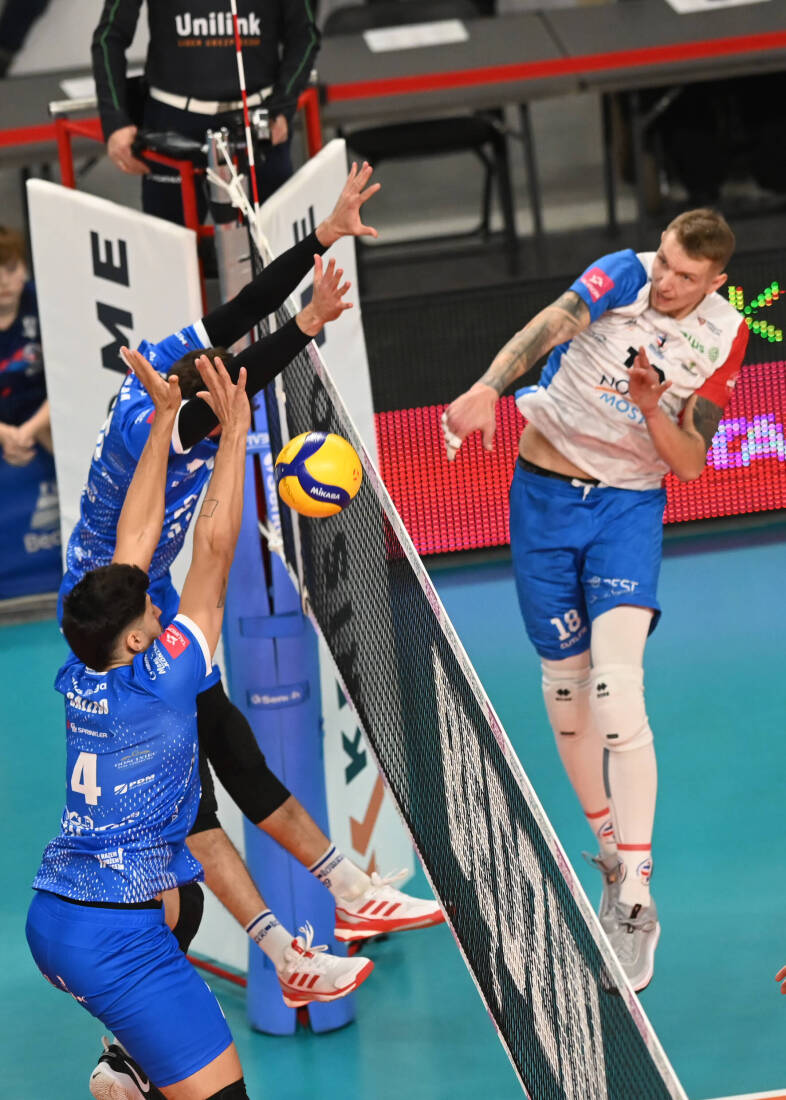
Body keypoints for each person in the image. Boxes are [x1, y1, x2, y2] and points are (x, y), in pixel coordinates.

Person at [58, 165, 442, 1094]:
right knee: (195, 814)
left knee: (222, 768)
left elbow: (234, 319)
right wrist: (303, 333)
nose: (218, 369)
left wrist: (322, 240)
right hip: (122, 616)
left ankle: (334, 900)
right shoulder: (166, 430)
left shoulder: (162, 380)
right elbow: (232, 409)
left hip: (138, 601)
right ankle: (293, 942)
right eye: (208, 386)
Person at [29, 349, 374, 1100]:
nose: (160, 605)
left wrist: (163, 426)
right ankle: (132, 1054)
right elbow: (213, 553)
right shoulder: (166, 679)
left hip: (56, 915)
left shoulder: (83, 670)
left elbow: (134, 541)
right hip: (116, 938)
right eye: (150, 610)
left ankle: (127, 1064)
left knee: (184, 892)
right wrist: (237, 437)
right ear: (136, 639)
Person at [442, 208, 747, 992]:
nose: (666, 281)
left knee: (616, 690)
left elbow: (689, 464)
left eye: (685, 275)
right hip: (544, 497)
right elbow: (552, 323)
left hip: (627, 510)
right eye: (665, 261)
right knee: (567, 696)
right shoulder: (622, 274)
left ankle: (637, 897)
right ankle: (610, 854)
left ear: (715, 281)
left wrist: (650, 407)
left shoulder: (724, 334)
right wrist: (486, 387)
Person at [91, 0, 321, 223]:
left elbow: (305, 36)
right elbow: (109, 36)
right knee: (170, 241)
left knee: (275, 240)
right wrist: (115, 120)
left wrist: (282, 107)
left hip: (258, 118)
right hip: (172, 122)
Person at [0, 225, 61, 598]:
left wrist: (29, 429)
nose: (4, 281)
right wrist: (5, 433)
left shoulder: (43, 304)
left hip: (44, 417)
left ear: (24, 268)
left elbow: (67, 372)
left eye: (11, 268)